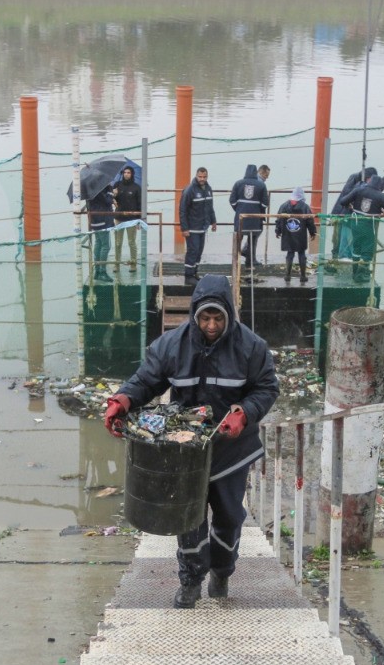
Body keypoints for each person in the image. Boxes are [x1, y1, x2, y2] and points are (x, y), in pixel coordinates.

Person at [103, 275, 279, 608]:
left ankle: (223, 572)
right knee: (189, 518)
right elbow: (146, 380)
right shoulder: (171, 345)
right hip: (186, 453)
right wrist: (122, 400)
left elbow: (267, 388)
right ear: (194, 314)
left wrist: (245, 412)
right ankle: (190, 580)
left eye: (218, 318)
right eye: (205, 317)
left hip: (231, 449)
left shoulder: (251, 347)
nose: (211, 325)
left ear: (228, 315)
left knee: (229, 516)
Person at [335, 174, 384, 280]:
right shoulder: (381, 196)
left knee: (356, 248)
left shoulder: (358, 190)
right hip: (369, 225)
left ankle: (355, 272)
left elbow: (343, 201)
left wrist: (351, 205)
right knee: (367, 250)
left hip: (356, 223)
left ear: (370, 182)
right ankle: (361, 275)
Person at [178, 167, 217, 284]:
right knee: (193, 251)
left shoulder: (208, 189)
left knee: (199, 251)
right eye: (200, 177)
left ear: (207, 177)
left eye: (204, 177)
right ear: (196, 176)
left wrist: (213, 221)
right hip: (192, 228)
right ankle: (188, 275)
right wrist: (184, 228)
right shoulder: (189, 190)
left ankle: (195, 272)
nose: (202, 179)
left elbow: (210, 207)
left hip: (203, 227)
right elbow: (182, 210)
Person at [329, 166, 376, 261]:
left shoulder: (355, 181)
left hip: (343, 215)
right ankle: (344, 261)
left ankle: (338, 258)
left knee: (341, 241)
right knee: (346, 243)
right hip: (347, 217)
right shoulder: (358, 185)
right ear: (368, 178)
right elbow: (346, 199)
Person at [230, 163, 270, 271]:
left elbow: (232, 200)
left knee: (238, 240)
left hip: (240, 218)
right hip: (255, 219)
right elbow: (265, 203)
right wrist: (259, 212)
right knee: (252, 241)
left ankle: (236, 263)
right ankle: (249, 264)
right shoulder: (261, 185)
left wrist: (238, 210)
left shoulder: (238, 183)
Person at [274, 186, 316, 281]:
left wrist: (278, 230)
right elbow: (310, 220)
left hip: (288, 234)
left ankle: (287, 276)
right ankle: (303, 276)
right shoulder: (305, 207)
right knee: (301, 254)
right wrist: (312, 232)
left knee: (290, 253)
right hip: (300, 235)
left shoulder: (284, 205)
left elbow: (279, 219)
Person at [111, 166, 142, 270]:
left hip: (132, 219)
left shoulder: (137, 187)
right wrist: (113, 196)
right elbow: (112, 199)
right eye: (124, 172)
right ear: (122, 173)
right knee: (118, 243)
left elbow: (139, 205)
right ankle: (117, 264)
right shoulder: (117, 185)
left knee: (131, 242)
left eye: (128, 172)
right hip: (119, 217)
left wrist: (139, 220)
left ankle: (133, 264)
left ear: (132, 174)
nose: (126, 174)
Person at [87, 182, 115, 281]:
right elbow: (108, 201)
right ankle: (102, 272)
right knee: (106, 246)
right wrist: (111, 191)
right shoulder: (100, 188)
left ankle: (97, 271)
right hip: (102, 221)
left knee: (98, 244)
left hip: (95, 221)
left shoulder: (90, 187)